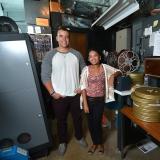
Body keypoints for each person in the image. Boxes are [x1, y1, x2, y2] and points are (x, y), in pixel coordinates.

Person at [41, 26, 87, 155]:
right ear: (56, 38)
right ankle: (62, 142)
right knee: (61, 121)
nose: (64, 39)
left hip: (75, 95)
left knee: (78, 118)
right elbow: (45, 75)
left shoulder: (76, 54)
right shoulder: (50, 55)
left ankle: (79, 137)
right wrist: (52, 93)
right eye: (61, 36)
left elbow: (84, 72)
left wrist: (82, 86)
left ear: (69, 38)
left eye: (66, 36)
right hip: (59, 96)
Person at [80, 49, 121, 154]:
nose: (93, 58)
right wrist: (85, 103)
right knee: (90, 123)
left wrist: (112, 76)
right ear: (89, 59)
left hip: (100, 101)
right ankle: (94, 143)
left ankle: (100, 143)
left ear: (100, 57)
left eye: (95, 55)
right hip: (88, 100)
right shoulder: (86, 69)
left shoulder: (105, 67)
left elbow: (119, 71)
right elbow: (83, 87)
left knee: (97, 122)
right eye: (90, 56)